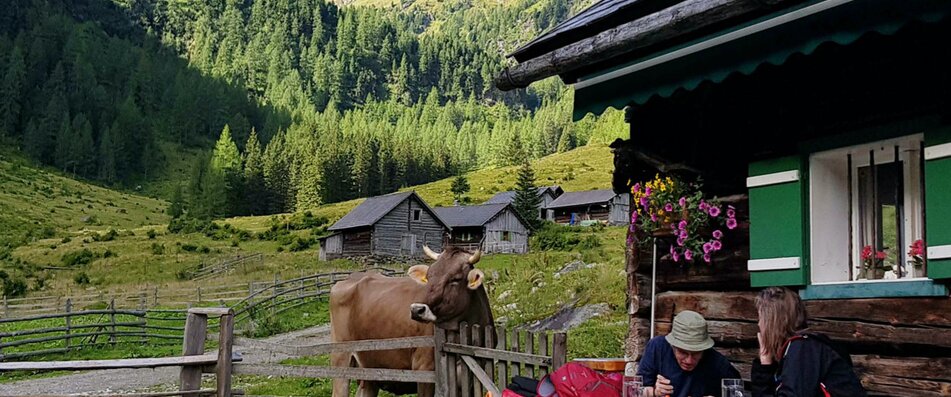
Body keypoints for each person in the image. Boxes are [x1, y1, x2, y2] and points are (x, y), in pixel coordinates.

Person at [752, 287, 866, 397]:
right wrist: (765, 365)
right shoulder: (800, 348)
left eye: (761, 318)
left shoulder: (803, 349)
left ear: (772, 322)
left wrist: (765, 368)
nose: (759, 324)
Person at [638, 310, 740, 397]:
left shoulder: (717, 362)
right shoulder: (658, 347)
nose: (689, 360)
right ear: (673, 346)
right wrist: (654, 392)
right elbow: (636, 390)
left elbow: (737, 391)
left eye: (696, 353)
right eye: (683, 352)